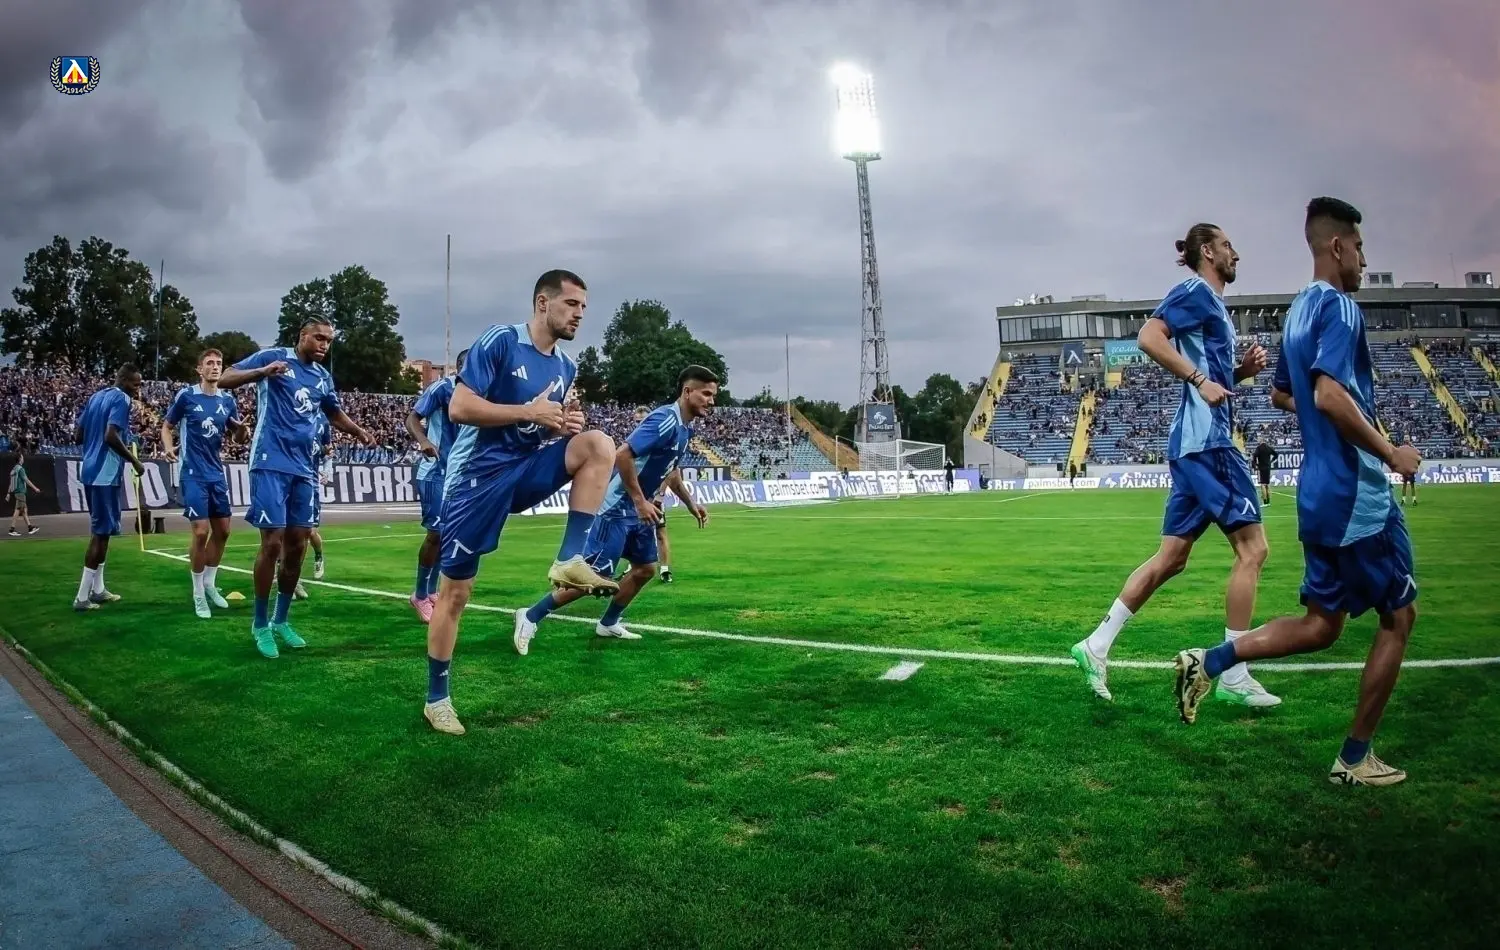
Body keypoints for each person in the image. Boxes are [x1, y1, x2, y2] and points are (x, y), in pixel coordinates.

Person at [1174, 198, 1422, 787]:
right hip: (1359, 494)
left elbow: (1285, 394)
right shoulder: (1339, 307)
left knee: (1322, 625)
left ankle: (1209, 661)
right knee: (1399, 616)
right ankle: (1354, 759)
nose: (1363, 259)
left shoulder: (1300, 312)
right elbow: (1329, 396)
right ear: (1337, 246)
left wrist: (1327, 411)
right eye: (1359, 247)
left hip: (1317, 494)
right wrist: (1391, 452)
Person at [1071, 223, 1279, 707]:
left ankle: (1095, 645)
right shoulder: (1196, 291)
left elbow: (1212, 375)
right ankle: (1233, 674)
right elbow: (1149, 336)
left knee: (1172, 558)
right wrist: (1201, 379)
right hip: (1208, 444)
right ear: (1207, 251)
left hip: (1192, 446)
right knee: (1253, 550)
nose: (1236, 254)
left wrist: (1240, 372)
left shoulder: (1215, 307)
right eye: (1227, 245)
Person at [422, 269, 620, 735]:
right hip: (476, 481)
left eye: (584, 307)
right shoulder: (501, 341)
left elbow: (546, 424)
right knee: (456, 595)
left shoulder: (566, 366)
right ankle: (437, 699)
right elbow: (460, 408)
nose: (579, 314)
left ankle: (569, 558)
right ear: (542, 303)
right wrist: (529, 412)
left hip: (525, 469)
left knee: (598, 444)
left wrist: (564, 424)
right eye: (571, 304)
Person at [514, 366, 717, 654]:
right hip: (616, 509)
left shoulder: (686, 429)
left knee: (645, 569)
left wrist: (691, 504)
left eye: (713, 395)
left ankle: (608, 623)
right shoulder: (664, 420)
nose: (711, 401)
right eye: (706, 394)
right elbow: (622, 454)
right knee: (594, 577)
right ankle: (530, 615)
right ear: (687, 392)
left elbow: (670, 472)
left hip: (639, 510)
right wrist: (639, 500)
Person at [217, 319, 377, 658]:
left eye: (329, 340)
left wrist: (358, 431)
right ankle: (260, 624)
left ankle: (281, 620)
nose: (324, 345)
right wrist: (262, 373)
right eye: (318, 338)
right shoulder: (274, 356)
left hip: (305, 468)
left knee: (298, 545)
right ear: (302, 336)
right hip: (270, 461)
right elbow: (226, 377)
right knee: (272, 542)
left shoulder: (322, 377)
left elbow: (333, 412)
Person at [161, 348, 246, 618]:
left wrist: (242, 431)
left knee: (223, 531)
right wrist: (168, 448)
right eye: (209, 363)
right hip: (192, 472)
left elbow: (237, 438)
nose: (215, 366)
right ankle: (198, 593)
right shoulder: (186, 396)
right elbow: (167, 426)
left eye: (219, 363)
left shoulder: (227, 400)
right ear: (199, 369)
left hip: (216, 474)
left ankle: (210, 583)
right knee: (200, 532)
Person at [72, 365, 146, 611]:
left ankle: (98, 589)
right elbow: (110, 436)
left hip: (89, 469)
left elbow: (78, 436)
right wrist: (134, 461)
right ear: (123, 380)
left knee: (102, 532)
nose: (137, 389)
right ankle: (82, 597)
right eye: (135, 384)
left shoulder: (96, 396)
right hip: (105, 472)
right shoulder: (122, 399)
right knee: (101, 533)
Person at [405, 349, 467, 621]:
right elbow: (412, 418)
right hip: (435, 471)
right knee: (436, 534)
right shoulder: (443, 388)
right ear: (461, 367)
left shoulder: (480, 394)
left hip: (458, 474)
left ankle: (431, 591)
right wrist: (424, 441)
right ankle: (419, 594)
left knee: (448, 534)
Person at [7, 449, 41, 536]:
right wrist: (35, 488)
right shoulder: (20, 469)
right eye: (22, 457)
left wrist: (8, 493)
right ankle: (12, 529)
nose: (23, 458)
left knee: (24, 510)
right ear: (19, 459)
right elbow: (26, 480)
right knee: (18, 510)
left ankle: (30, 527)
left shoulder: (14, 469)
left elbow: (11, 483)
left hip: (17, 492)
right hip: (20, 492)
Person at [1254, 439, 1275, 505]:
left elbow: (1254, 456)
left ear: (1260, 442)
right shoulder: (1268, 447)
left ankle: (1265, 501)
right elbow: (1276, 455)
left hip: (1261, 468)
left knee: (1263, 484)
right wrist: (1271, 461)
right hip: (1268, 467)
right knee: (1268, 484)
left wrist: (1256, 464)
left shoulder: (1259, 448)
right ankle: (1269, 500)